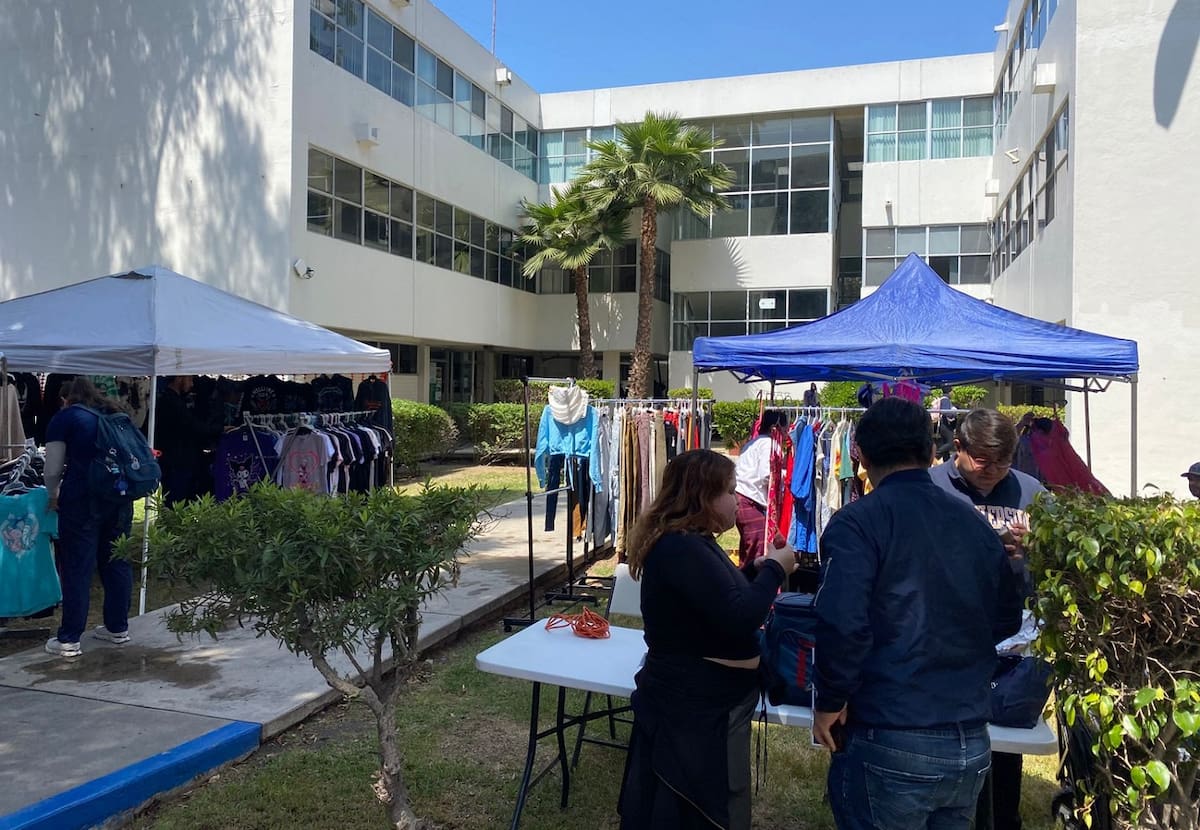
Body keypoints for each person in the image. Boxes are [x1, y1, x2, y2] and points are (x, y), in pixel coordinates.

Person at [812, 398, 1024, 830]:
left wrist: (830, 700)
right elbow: (1006, 618)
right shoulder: (974, 524)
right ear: (932, 454)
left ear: (861, 457)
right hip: (968, 740)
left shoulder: (858, 523)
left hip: (892, 733)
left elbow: (842, 621)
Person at [617, 449, 797, 830]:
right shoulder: (680, 548)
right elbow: (740, 616)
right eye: (730, 491)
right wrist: (775, 573)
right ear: (702, 497)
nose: (737, 500)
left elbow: (715, 600)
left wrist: (753, 570)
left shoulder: (693, 543)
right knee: (696, 810)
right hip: (692, 708)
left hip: (708, 706)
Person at [929, 408, 1048, 830]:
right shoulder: (931, 487)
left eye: (1003, 462)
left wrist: (1032, 552)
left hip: (1011, 635)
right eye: (983, 460)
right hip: (942, 633)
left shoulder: (1031, 491)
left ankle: (1001, 817)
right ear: (957, 448)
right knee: (948, 731)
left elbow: (1053, 565)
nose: (994, 472)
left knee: (1004, 734)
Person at [43, 377, 137, 658]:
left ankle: (70, 638)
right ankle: (117, 627)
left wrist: (52, 494)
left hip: (82, 501)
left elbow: (52, 468)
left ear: (66, 399)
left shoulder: (66, 418)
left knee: (77, 567)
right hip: (120, 499)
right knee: (117, 560)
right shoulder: (113, 413)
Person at [732, 409, 788, 571]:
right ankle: (751, 584)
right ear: (776, 428)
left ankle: (744, 578)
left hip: (742, 496)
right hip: (750, 499)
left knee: (749, 544)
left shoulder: (754, 442)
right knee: (757, 547)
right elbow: (767, 474)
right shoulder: (770, 445)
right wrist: (787, 476)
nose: (786, 433)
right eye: (784, 429)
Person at [156, 375, 221, 506]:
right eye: (190, 379)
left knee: (181, 500)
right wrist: (219, 429)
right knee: (175, 501)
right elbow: (193, 426)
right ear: (179, 377)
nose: (192, 385)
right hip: (176, 461)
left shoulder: (173, 400)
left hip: (179, 460)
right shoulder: (170, 401)